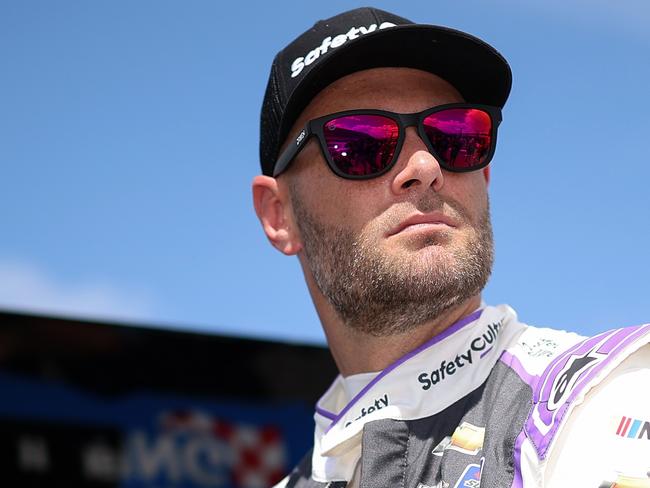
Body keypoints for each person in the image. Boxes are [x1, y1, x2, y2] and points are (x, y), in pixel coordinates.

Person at [252, 7, 650, 488]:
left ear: (483, 174)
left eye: (456, 136)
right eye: (358, 143)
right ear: (278, 214)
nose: (425, 165)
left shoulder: (601, 397)